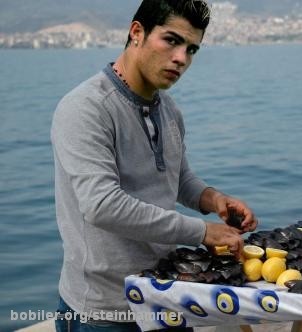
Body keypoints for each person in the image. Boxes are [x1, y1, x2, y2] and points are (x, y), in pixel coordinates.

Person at [51, 0, 258, 331]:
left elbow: (178, 178)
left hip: (167, 293)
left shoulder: (169, 109)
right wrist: (202, 232)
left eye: (192, 49)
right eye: (172, 40)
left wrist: (213, 199)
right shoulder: (85, 108)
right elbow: (101, 206)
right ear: (137, 32)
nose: (181, 59)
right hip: (105, 310)